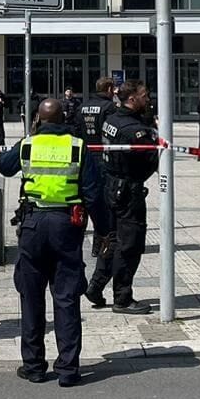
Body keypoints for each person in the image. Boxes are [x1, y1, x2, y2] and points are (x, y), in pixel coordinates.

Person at [0, 98, 87, 386]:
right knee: (67, 298)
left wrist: (29, 135)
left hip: (33, 226)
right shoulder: (77, 146)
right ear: (64, 119)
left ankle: (34, 366)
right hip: (66, 226)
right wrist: (106, 232)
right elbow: (95, 192)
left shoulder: (28, 144)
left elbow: (3, 166)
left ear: (38, 119)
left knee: (31, 296)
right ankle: (68, 370)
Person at [86, 82, 159, 314]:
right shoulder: (134, 130)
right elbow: (151, 160)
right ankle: (122, 298)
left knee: (113, 240)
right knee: (130, 245)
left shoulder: (113, 119)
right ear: (132, 99)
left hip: (110, 186)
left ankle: (96, 287)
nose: (147, 99)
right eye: (144, 95)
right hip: (129, 192)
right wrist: (152, 131)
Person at [76, 77, 117, 283]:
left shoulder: (83, 106)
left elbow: (76, 129)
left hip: (85, 156)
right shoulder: (109, 107)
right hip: (102, 158)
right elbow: (111, 132)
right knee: (102, 202)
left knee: (85, 200)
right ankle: (101, 242)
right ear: (109, 89)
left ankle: (92, 244)